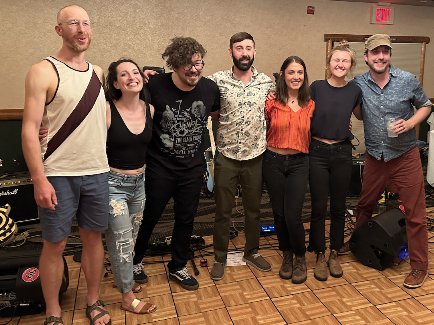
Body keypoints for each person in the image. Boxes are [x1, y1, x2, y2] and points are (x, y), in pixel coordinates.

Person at [21, 5, 111, 325]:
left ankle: (93, 300)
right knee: (55, 244)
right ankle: (53, 312)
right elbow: (30, 128)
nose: (81, 29)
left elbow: (104, 119)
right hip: (57, 173)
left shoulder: (99, 72)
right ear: (59, 30)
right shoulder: (42, 71)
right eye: (73, 23)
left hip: (98, 171)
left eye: (86, 23)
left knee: (93, 239)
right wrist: (38, 178)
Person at [340, 34, 432, 289]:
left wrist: (412, 123)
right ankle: (357, 240)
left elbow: (425, 106)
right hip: (375, 156)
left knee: (415, 213)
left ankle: (419, 266)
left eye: (385, 52)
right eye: (375, 52)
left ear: (389, 55)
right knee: (365, 204)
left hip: (405, 155)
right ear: (367, 57)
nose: (381, 56)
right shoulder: (358, 84)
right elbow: (356, 112)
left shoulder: (407, 80)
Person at [132, 37, 220, 291]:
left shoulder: (210, 89)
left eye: (198, 63)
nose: (194, 69)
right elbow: (123, 93)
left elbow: (216, 115)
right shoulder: (156, 84)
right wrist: (141, 71)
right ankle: (135, 261)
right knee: (148, 217)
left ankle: (178, 266)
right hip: (160, 168)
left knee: (186, 219)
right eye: (187, 65)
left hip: (192, 169)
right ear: (174, 65)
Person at [207, 32, 273, 280]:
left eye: (248, 48)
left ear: (254, 51)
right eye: (239, 48)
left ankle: (252, 251)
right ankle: (219, 256)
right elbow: (213, 112)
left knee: (253, 209)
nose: (244, 53)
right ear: (230, 52)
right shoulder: (217, 81)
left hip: (256, 156)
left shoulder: (267, 82)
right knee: (223, 210)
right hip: (226, 155)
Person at [104, 59, 156, 314]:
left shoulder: (150, 109)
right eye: (124, 74)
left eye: (135, 72)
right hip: (113, 185)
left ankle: (121, 279)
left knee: (130, 238)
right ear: (116, 83)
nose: (131, 77)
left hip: (140, 183)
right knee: (122, 240)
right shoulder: (106, 109)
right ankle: (126, 296)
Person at [307, 41, 362, 281]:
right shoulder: (316, 87)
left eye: (345, 61)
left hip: (342, 153)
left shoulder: (355, 90)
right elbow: (302, 113)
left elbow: (362, 114)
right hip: (317, 151)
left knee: (339, 208)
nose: (340, 64)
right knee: (319, 207)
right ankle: (319, 253)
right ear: (329, 64)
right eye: (336, 60)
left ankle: (334, 253)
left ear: (351, 66)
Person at [262, 56, 315, 284]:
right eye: (291, 72)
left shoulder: (311, 103)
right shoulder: (272, 101)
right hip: (272, 161)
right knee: (280, 214)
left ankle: (300, 256)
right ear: (282, 75)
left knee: (293, 214)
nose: (296, 77)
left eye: (300, 72)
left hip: (299, 163)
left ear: (304, 76)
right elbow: (261, 126)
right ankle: (287, 254)